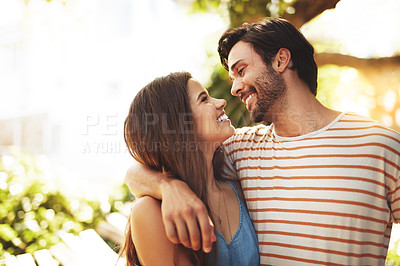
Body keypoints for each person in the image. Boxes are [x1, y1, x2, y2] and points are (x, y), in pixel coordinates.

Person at [125, 18, 400, 265]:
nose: (233, 89)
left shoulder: (382, 146)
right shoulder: (240, 150)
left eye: (241, 70)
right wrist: (169, 187)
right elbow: (152, 161)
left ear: (281, 60)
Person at [119, 72, 259, 265]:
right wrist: (167, 186)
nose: (220, 102)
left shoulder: (237, 185)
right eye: (204, 99)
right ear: (177, 123)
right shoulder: (150, 211)